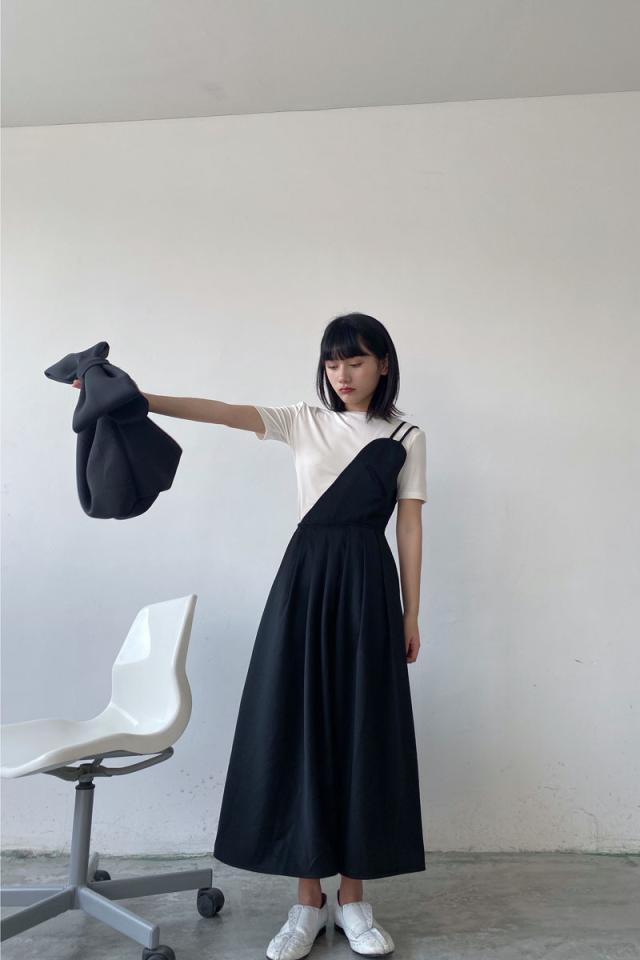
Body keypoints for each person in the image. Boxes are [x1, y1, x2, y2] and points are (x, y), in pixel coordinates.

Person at [73, 312, 427, 959]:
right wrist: (135, 398)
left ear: (383, 363)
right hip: (306, 585)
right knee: (300, 727)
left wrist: (410, 612)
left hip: (368, 589)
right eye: (332, 363)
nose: (342, 374)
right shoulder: (303, 421)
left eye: (355, 361)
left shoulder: (406, 436)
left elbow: (408, 525)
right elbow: (222, 412)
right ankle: (307, 901)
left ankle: (353, 899)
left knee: (362, 730)